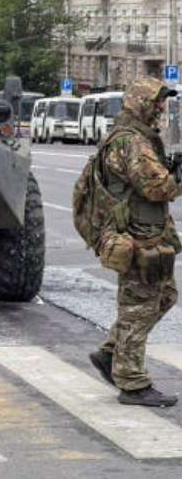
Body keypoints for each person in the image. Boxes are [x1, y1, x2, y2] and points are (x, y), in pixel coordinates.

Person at [89, 75, 181, 407]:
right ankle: (132, 382)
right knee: (138, 308)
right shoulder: (132, 141)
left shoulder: (133, 137)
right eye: (156, 100)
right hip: (137, 236)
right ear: (141, 103)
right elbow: (157, 188)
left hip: (148, 233)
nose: (160, 106)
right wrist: (177, 176)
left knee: (164, 296)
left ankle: (110, 352)